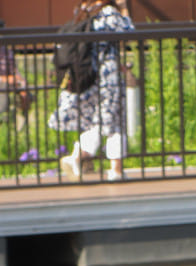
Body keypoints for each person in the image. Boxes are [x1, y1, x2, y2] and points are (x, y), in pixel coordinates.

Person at [49, 0, 133, 182]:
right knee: (112, 121)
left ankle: (112, 168)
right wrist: (124, 8)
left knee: (104, 120)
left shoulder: (85, 10)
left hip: (90, 74)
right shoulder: (109, 12)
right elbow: (129, 31)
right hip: (108, 75)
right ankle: (85, 159)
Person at [0, 20, 32, 116]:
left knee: (23, 86)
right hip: (3, 81)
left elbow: (14, 70)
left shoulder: (6, 50)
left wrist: (19, 79)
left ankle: (23, 115)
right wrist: (5, 79)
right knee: (4, 86)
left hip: (10, 80)